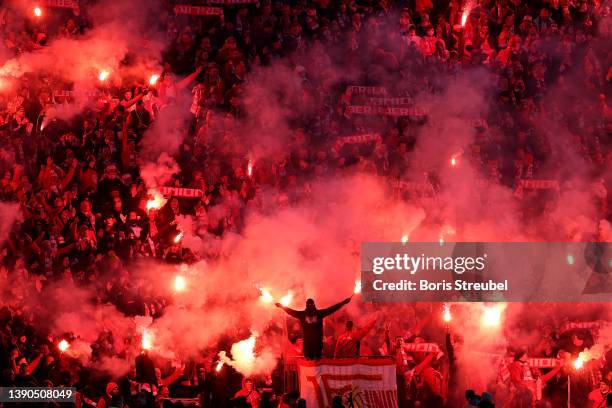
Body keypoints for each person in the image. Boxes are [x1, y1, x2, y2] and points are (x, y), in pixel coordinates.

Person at [276, 296, 352, 360]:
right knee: (313, 365)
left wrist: (282, 307)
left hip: (314, 347)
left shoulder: (306, 314)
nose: (310, 306)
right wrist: (344, 302)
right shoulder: (317, 314)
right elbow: (332, 309)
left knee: (312, 364)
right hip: (313, 346)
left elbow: (291, 311)